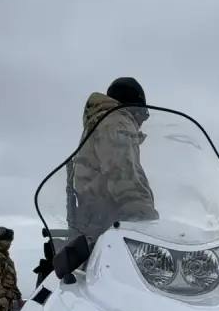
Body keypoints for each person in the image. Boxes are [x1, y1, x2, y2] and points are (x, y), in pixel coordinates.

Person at [66, 76, 157, 244]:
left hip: (97, 224)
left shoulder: (101, 122)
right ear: (135, 108)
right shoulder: (116, 121)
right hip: (114, 225)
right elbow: (122, 174)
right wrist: (147, 224)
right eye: (143, 115)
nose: (141, 123)